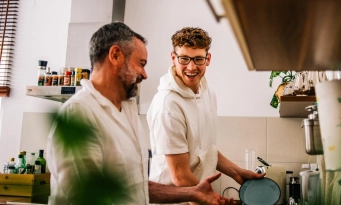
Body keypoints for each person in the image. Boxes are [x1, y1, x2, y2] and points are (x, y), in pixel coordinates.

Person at [47, 22, 234, 205]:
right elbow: (84, 196)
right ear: (115, 55)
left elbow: (136, 188)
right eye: (141, 63)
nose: (145, 74)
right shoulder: (80, 115)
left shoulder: (127, 111)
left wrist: (194, 193)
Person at [147, 27, 265, 205]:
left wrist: (237, 172)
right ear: (173, 58)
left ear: (208, 59)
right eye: (184, 59)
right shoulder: (168, 104)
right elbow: (180, 176)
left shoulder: (207, 94)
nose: (191, 67)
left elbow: (205, 149)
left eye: (198, 59)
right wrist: (215, 200)